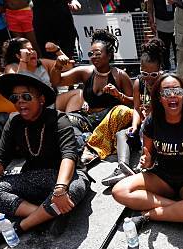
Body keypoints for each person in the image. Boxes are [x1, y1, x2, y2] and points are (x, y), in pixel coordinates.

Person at [0, 72, 90, 244]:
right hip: (35, 176)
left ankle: (21, 226)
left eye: (26, 96)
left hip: (66, 177)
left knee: (74, 189)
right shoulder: (14, 121)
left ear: (41, 99)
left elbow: (69, 155)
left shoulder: (59, 119)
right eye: (15, 98)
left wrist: (60, 188)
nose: (20, 101)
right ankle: (47, 214)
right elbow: (0, 157)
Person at [112, 73, 183, 231]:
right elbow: (148, 157)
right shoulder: (151, 121)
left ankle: (149, 215)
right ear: (158, 97)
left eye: (177, 91)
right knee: (119, 191)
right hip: (163, 178)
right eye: (166, 93)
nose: (172, 96)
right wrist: (147, 162)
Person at [50, 29, 133, 164]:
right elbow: (56, 81)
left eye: (98, 53)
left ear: (110, 55)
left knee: (123, 111)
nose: (94, 57)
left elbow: (133, 104)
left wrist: (119, 95)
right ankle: (82, 145)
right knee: (66, 119)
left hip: (110, 122)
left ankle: (90, 148)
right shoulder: (85, 72)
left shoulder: (120, 76)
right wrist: (57, 66)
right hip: (89, 120)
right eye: (91, 54)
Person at [101, 37, 163, 187]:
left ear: (160, 69)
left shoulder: (165, 83)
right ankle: (122, 167)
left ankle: (152, 166)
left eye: (153, 74)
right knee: (122, 134)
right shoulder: (139, 82)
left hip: (161, 129)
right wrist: (135, 126)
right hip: (144, 128)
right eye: (144, 73)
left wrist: (154, 110)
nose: (148, 78)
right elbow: (136, 107)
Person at [146, 0, 176, 71]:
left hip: (176, 22)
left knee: (178, 49)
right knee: (164, 50)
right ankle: (166, 70)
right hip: (161, 24)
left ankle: (179, 71)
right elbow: (149, 8)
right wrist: (151, 22)